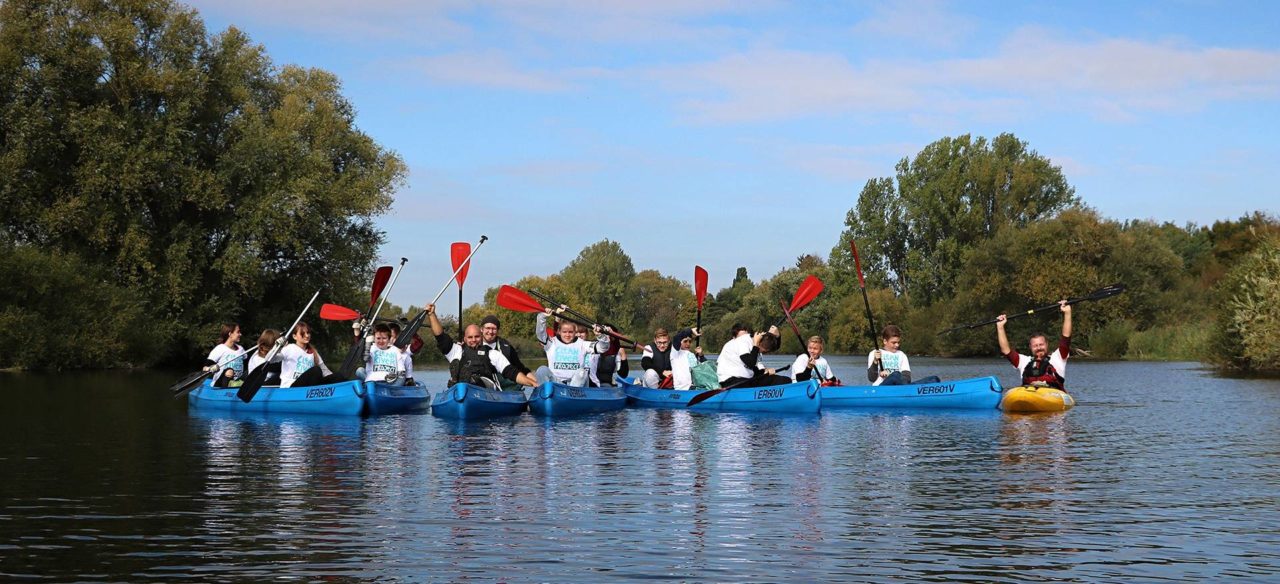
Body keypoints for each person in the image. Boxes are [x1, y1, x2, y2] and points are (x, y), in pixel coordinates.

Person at [428, 304, 536, 389]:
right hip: (460, 390)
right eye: (470, 337)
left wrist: (533, 383)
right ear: (465, 339)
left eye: (476, 337)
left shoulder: (492, 354)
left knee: (475, 380)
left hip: (484, 390)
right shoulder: (456, 351)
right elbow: (440, 336)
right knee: (460, 378)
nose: (473, 340)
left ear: (481, 336)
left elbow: (512, 373)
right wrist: (432, 315)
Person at [997, 300, 1072, 389]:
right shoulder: (1024, 361)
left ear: (1047, 344)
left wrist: (1067, 313)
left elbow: (1066, 337)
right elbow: (1006, 350)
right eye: (1035, 346)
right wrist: (1000, 327)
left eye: (1041, 344)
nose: (1039, 348)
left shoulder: (1058, 358)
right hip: (1029, 394)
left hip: (1052, 394)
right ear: (1030, 347)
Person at [535, 307, 610, 386]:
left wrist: (601, 336)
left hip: (575, 385)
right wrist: (542, 317)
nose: (567, 335)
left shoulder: (582, 344)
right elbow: (540, 333)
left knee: (582, 372)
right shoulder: (551, 343)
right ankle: (546, 394)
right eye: (564, 332)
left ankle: (574, 396)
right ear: (559, 332)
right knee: (542, 370)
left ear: (575, 333)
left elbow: (603, 348)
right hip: (556, 384)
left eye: (570, 332)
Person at [716, 324, 791, 388]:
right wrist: (755, 345)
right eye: (763, 351)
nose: (761, 352)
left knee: (785, 380)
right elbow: (750, 363)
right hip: (731, 381)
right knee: (773, 381)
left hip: (744, 380)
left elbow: (749, 368)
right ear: (759, 343)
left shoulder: (754, 343)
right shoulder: (744, 341)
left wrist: (764, 372)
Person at [867, 325, 939, 386]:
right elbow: (871, 378)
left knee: (934, 379)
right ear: (885, 341)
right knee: (896, 375)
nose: (897, 345)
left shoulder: (902, 355)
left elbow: (907, 378)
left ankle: (908, 393)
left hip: (901, 386)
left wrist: (889, 374)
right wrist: (875, 362)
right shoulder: (875, 353)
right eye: (894, 343)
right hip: (882, 388)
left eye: (898, 342)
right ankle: (908, 392)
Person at [479, 315, 531, 389]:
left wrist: (536, 383)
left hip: (507, 389)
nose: (490, 332)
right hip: (485, 387)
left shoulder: (507, 347)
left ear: (498, 331)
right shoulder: (474, 344)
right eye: (488, 328)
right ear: (481, 329)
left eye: (494, 329)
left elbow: (521, 368)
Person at [280, 322, 338, 387]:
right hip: (291, 387)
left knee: (337, 376)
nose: (307, 336)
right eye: (302, 334)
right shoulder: (289, 348)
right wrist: (277, 347)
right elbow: (273, 359)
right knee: (316, 371)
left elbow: (326, 372)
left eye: (308, 333)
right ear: (294, 336)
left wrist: (335, 379)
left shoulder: (313, 352)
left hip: (307, 387)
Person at [205, 323, 246, 388]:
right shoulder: (220, 349)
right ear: (230, 334)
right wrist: (211, 368)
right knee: (229, 370)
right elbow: (204, 368)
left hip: (238, 382)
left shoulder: (241, 349)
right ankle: (230, 385)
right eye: (238, 332)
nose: (240, 334)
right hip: (221, 383)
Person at [588, 322, 627, 386]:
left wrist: (623, 356)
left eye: (608, 335)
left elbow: (623, 375)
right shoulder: (592, 346)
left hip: (605, 385)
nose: (606, 337)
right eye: (604, 335)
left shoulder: (616, 350)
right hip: (588, 383)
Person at [388, 321, 417, 385]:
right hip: (382, 379)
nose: (389, 339)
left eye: (392, 336)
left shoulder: (405, 353)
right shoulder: (379, 349)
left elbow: (418, 344)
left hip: (397, 380)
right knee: (360, 371)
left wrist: (410, 330)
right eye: (387, 336)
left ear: (398, 337)